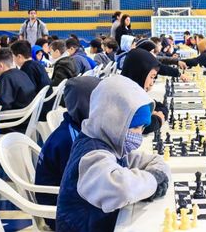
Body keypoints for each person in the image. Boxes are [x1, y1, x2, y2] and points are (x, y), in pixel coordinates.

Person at [56, 76, 171, 231]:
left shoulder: (111, 144)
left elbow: (154, 161)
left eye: (143, 128)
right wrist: (153, 180)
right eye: (136, 127)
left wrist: (155, 176)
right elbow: (122, 188)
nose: (139, 134)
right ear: (114, 121)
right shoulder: (91, 154)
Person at [35, 76, 101, 229]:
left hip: (70, 199)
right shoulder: (70, 140)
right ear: (86, 105)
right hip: (60, 212)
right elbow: (80, 184)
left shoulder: (79, 127)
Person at [121, 49, 168, 135]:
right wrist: (159, 119)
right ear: (139, 73)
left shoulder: (133, 91)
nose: (151, 83)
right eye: (151, 77)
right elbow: (145, 126)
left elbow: (160, 106)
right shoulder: (123, 96)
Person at [0, 48, 37, 132]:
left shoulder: (6, 77)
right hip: (27, 119)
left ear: (1, 66)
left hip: (15, 123)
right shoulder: (21, 73)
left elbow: (4, 105)